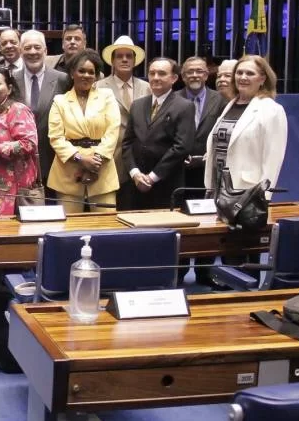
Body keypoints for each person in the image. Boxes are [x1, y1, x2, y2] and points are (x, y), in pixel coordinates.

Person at [47, 49, 121, 212]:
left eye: (91, 72)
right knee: (70, 225)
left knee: (106, 223)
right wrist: (80, 159)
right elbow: (56, 137)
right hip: (68, 171)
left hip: (101, 169)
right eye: (81, 71)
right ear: (72, 73)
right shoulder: (60, 101)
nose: (86, 75)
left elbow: (113, 131)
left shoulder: (107, 96)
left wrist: (95, 160)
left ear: (96, 76)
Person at [205, 55, 287, 198]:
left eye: (250, 73)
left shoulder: (272, 110)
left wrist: (263, 197)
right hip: (216, 187)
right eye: (239, 72)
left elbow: (272, 161)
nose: (243, 77)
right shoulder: (230, 106)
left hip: (246, 192)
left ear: (262, 79)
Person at [176, 55, 226, 284]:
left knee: (208, 221)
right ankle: (179, 272)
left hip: (209, 172)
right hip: (179, 172)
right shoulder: (174, 98)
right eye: (190, 72)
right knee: (181, 222)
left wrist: (205, 159)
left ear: (207, 75)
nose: (194, 75)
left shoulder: (221, 100)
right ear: (182, 76)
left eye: (199, 71)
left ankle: (205, 272)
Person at [122, 57, 195, 210]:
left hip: (166, 184)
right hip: (135, 184)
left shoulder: (184, 106)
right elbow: (127, 143)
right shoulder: (137, 105)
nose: (155, 77)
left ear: (174, 78)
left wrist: (152, 177)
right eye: (152, 73)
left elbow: (182, 147)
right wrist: (135, 173)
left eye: (161, 73)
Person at [95, 35, 151, 210]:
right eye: (119, 56)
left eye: (129, 56)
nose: (125, 59)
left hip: (140, 156)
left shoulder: (147, 87)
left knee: (138, 208)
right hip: (112, 155)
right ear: (112, 61)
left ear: (135, 60)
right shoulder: (99, 87)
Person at [0, 68, 39, 217]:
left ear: (9, 89)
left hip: (13, 190)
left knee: (6, 231)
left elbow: (29, 143)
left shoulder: (17, 109)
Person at [15, 30, 68, 189]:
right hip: (19, 162)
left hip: (53, 160)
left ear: (45, 51)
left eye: (37, 47)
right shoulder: (11, 79)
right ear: (20, 51)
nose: (32, 52)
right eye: (27, 48)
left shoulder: (62, 79)